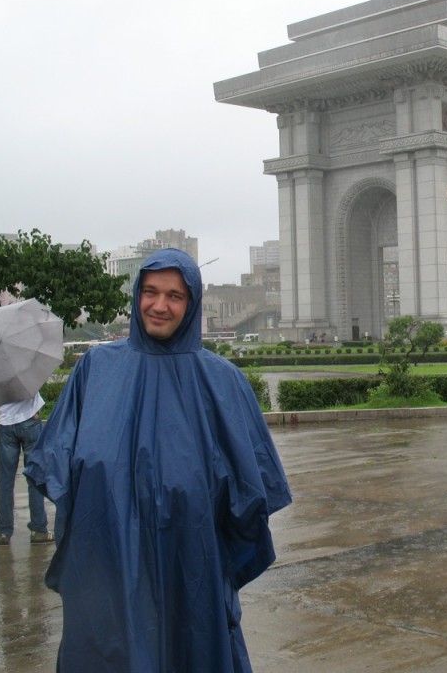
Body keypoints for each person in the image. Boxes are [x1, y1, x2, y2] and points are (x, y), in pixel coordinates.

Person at [25, 248, 291, 672]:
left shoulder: (223, 384)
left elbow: (252, 494)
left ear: (192, 304)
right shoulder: (96, 370)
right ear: (136, 296)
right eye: (150, 292)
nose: (160, 306)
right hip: (109, 570)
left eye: (175, 295)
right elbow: (54, 466)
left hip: (193, 572)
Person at [0, 391, 53, 545]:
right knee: (34, 478)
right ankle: (38, 529)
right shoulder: (26, 367)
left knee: (6, 481)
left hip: (6, 425)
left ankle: (3, 532)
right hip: (30, 421)